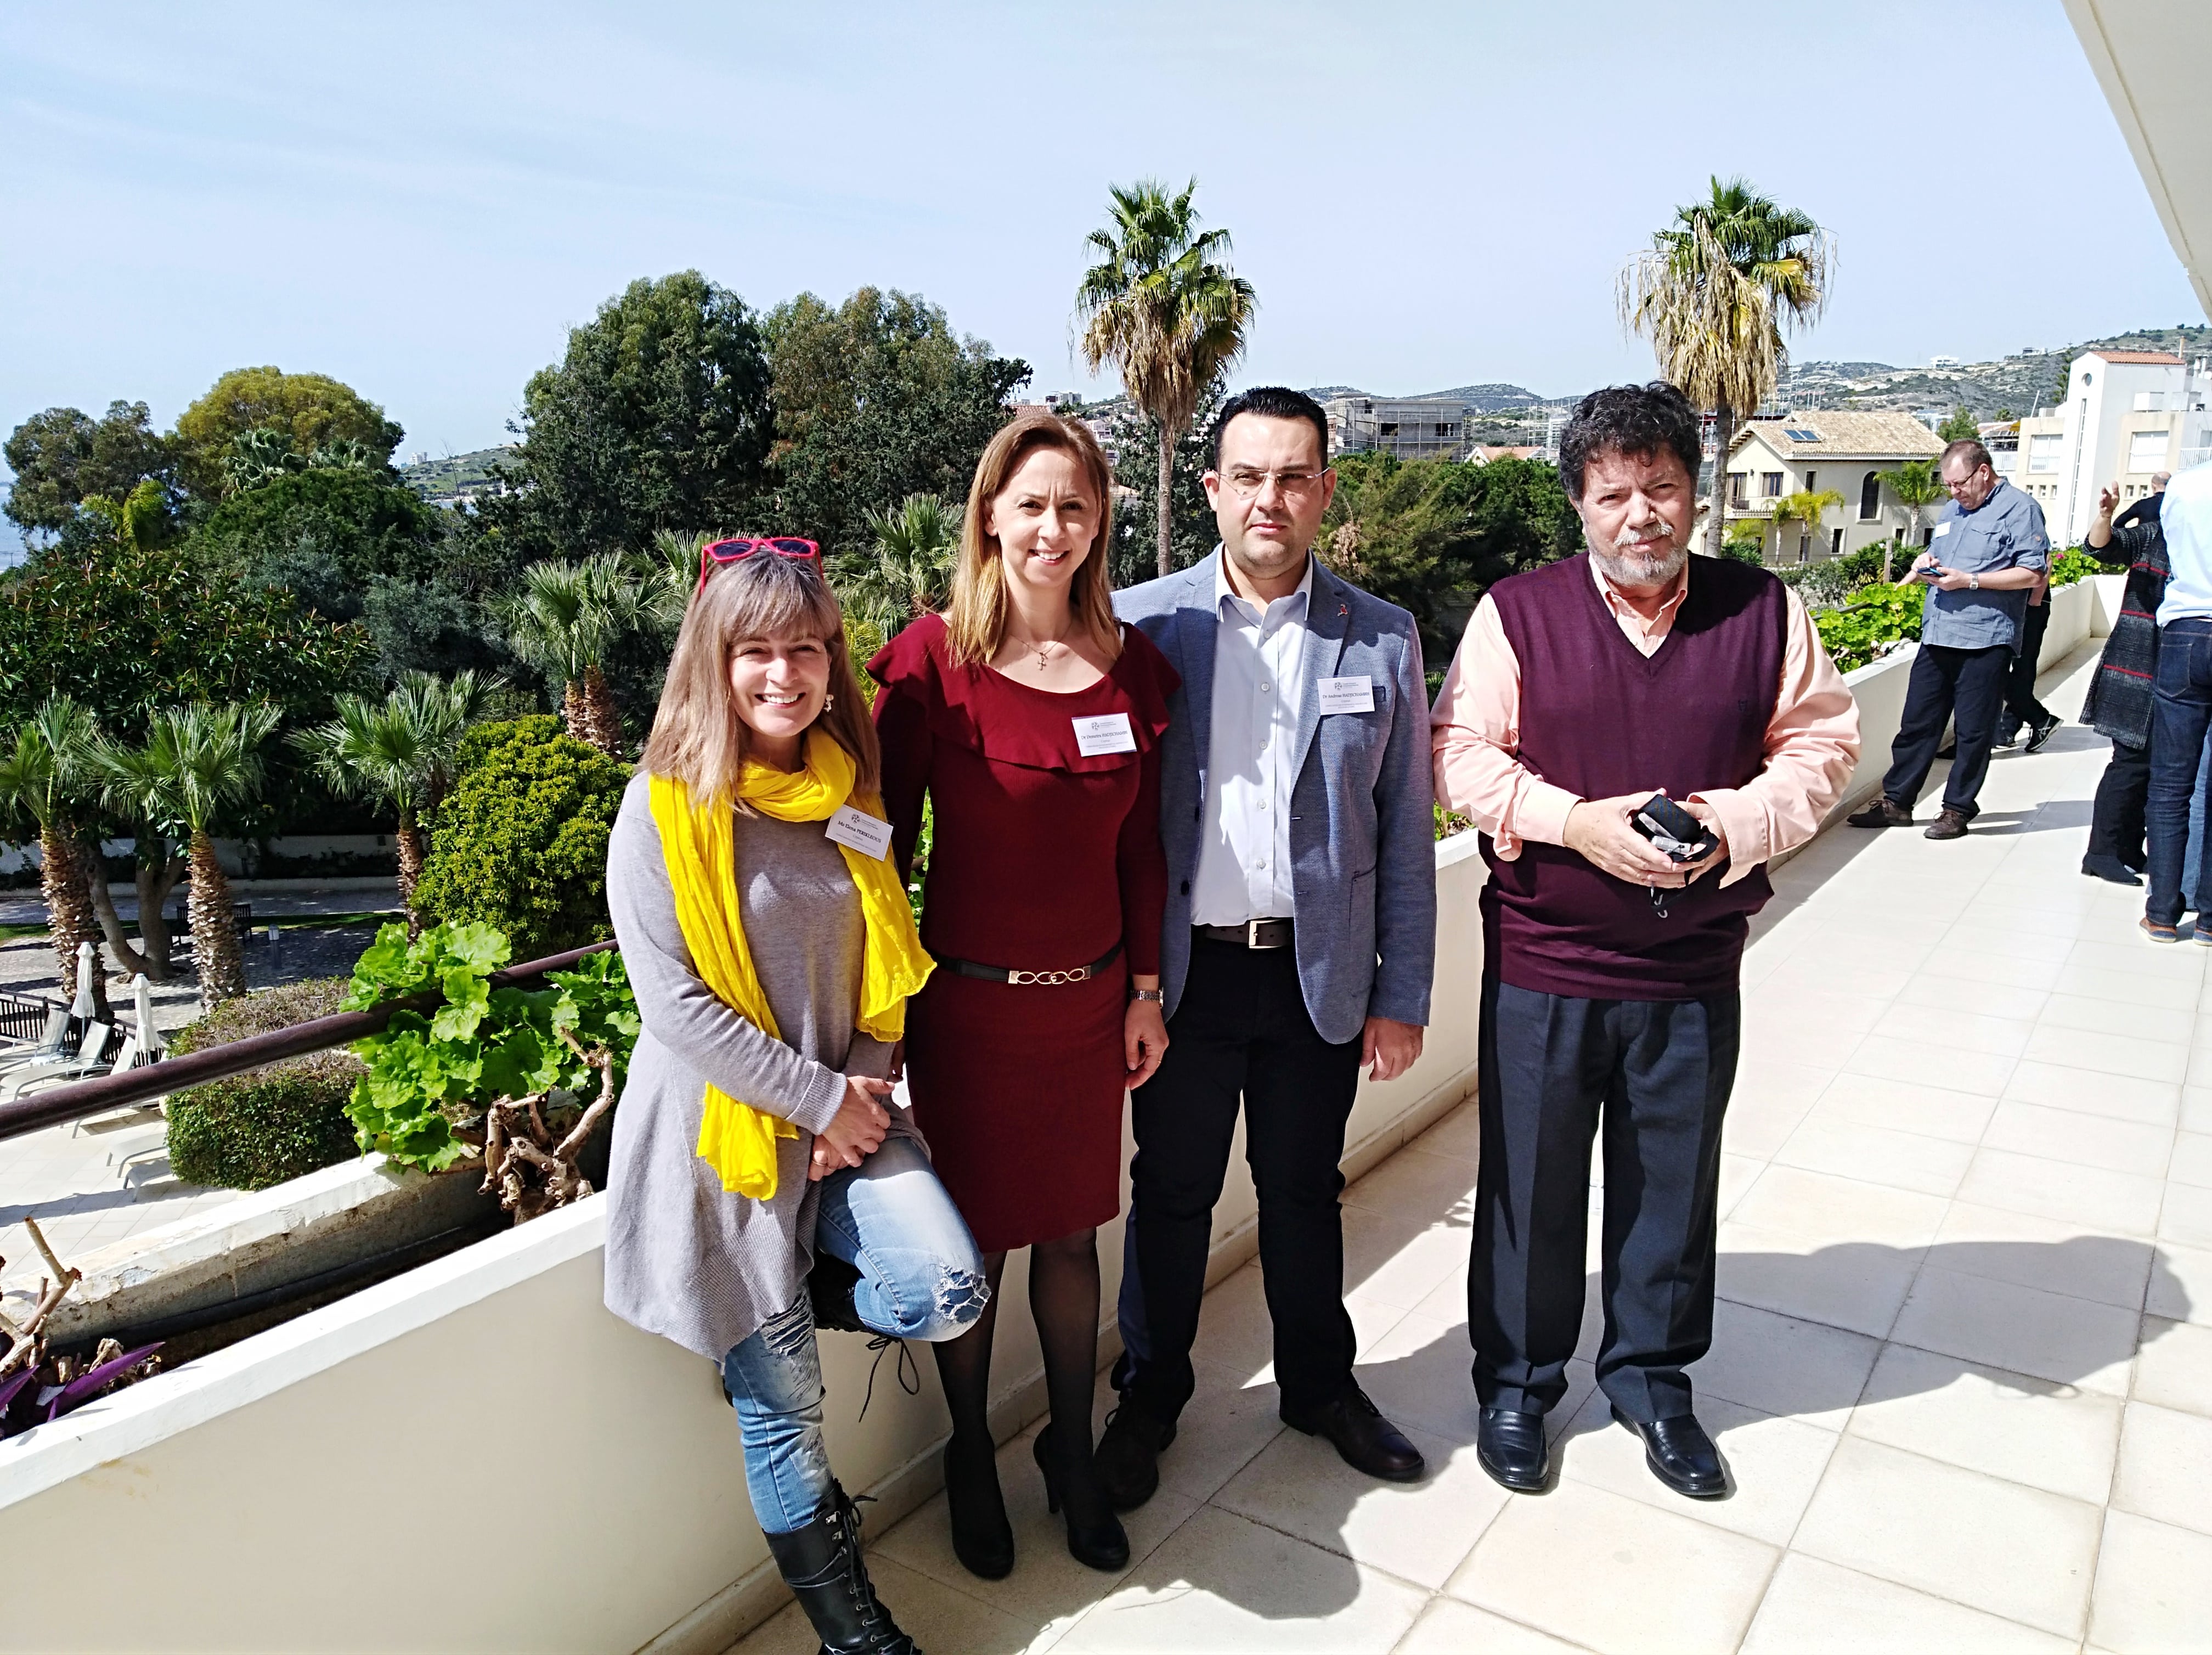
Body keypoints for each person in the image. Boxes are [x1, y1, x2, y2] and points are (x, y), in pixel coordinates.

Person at [1432, 382, 1859, 1499]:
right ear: (1579, 502)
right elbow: (1461, 754)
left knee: (1671, 1183)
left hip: (1691, 966)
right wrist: (1575, 822)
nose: (1641, 515)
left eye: (1661, 488)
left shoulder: (1763, 611)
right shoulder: (1516, 614)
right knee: (1530, 1186)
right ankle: (1519, 1383)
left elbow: (1821, 747)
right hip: (1546, 964)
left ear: (1694, 492)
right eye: (1614, 493)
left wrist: (1729, 824)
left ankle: (1652, 1381)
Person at [605, 541, 986, 1655]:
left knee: (948, 1290)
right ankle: (856, 1637)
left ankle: (780, 1296)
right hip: (722, 1141)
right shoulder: (662, 808)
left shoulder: (848, 791)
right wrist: (821, 1102)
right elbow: (675, 1006)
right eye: (756, 651)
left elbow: (887, 961)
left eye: (808, 648)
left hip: (848, 1113)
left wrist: (857, 1089)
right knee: (789, 1415)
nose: (785, 673)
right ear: (713, 662)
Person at [1094, 386, 1438, 1512]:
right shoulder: (1142, 626)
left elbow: (1403, 829)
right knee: (1171, 1195)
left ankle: (1319, 1388)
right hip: (1183, 977)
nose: (1270, 500)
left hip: (1314, 975)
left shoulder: (1381, 634)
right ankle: (1148, 1397)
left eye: (1294, 477)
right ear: (1212, 490)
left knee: (1303, 1192)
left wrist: (1401, 991)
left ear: (1325, 491)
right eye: (1248, 477)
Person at [869, 410, 1177, 1578]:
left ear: (1099, 524)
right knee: (978, 1244)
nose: (1054, 526)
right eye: (1032, 503)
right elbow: (881, 857)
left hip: (1087, 1010)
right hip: (967, 1014)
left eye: (1075, 506)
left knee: (1072, 1234)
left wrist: (1144, 988)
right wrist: (881, 1022)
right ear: (990, 515)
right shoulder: (931, 662)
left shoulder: (1131, 668)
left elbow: (1142, 847)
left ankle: (1072, 1452)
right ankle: (966, 1453)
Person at [1847, 438, 2050, 840]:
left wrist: (1970, 581)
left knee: (1974, 731)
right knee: (1917, 724)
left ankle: (1957, 809)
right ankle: (1897, 803)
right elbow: (1938, 552)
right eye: (1949, 486)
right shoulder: (1954, 509)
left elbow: (2033, 573)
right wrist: (1925, 565)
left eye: (1960, 484)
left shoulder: (2021, 509)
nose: (1954, 492)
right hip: (1939, 632)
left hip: (1986, 637)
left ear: (1984, 472)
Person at [2080, 481, 2172, 884]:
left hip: (2167, 665)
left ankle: (2130, 847)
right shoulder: (2155, 535)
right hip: (2136, 662)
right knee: (2130, 762)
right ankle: (2101, 852)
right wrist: (2105, 515)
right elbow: (2102, 548)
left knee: (2151, 765)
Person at [2140, 460, 2212, 942]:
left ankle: (2163, 913)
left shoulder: (2184, 487)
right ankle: (2209, 918)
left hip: (2187, 630)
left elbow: (2172, 548)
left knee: (2170, 784)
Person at [1992, 561, 2061, 753]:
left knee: (2010, 669)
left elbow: (2046, 559)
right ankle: (2009, 729)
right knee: (2017, 670)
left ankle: (2037, 718)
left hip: (2028, 604)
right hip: (2016, 601)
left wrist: (2035, 601)